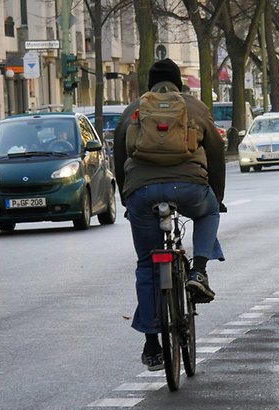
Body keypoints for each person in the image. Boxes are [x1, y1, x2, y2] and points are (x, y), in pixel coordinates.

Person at [113, 58, 226, 371]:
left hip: (141, 192)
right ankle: (199, 271)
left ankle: (152, 344)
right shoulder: (195, 107)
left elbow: (119, 155)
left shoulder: (134, 109)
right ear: (179, 82)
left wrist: (128, 197)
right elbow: (216, 154)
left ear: (150, 83)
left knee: (147, 264)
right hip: (188, 188)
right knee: (209, 212)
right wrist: (217, 196)